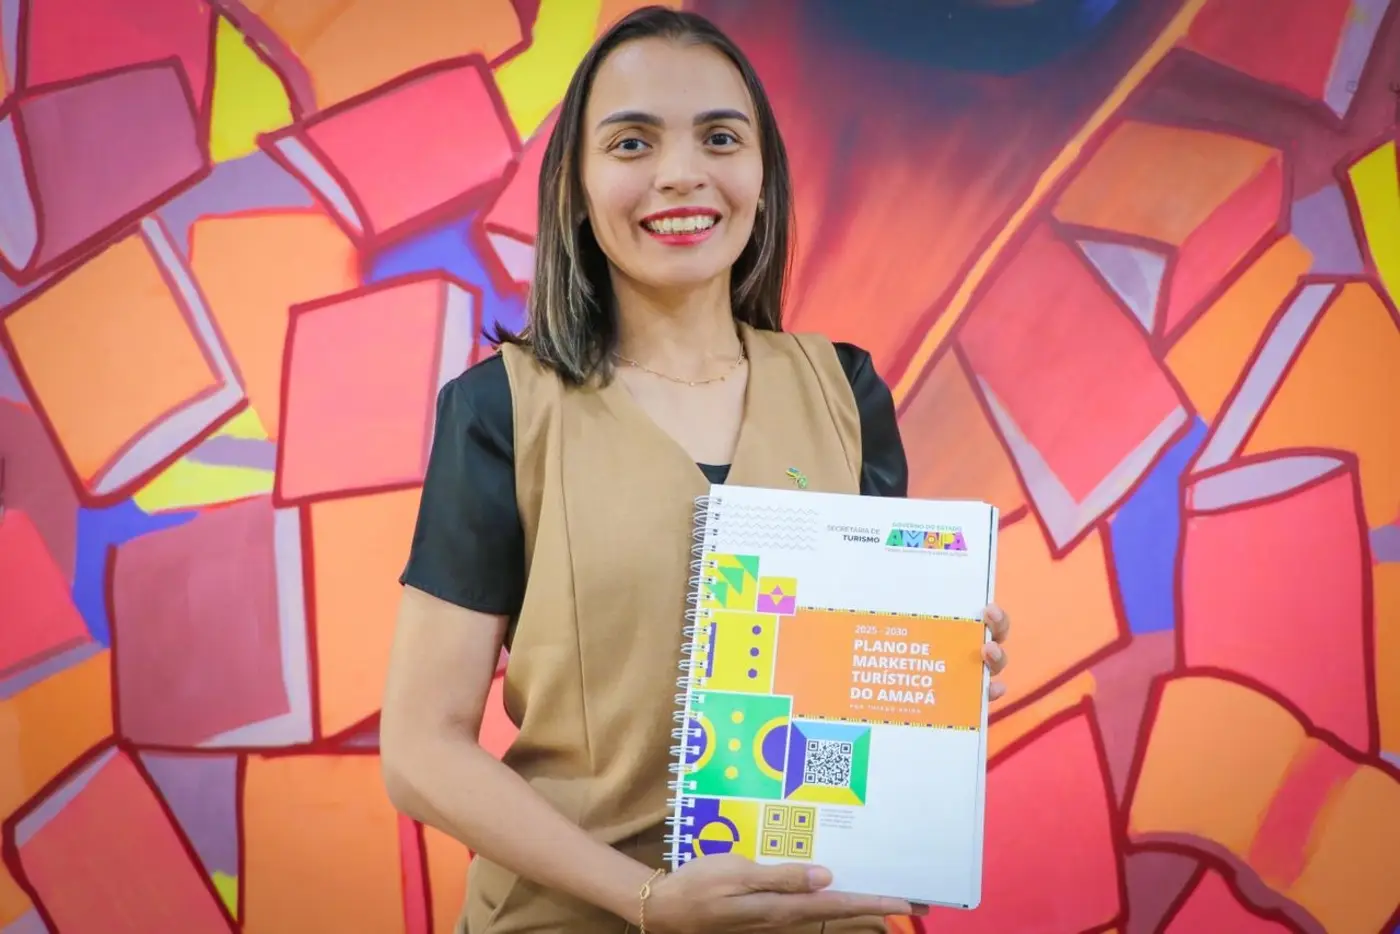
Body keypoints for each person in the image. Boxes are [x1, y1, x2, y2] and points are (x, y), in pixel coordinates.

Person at [380, 7, 1013, 933]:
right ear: (577, 185)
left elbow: (857, 706)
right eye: (632, 142)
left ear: (762, 175)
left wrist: (932, 678)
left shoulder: (846, 390)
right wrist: (641, 898)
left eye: (720, 137)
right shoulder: (501, 410)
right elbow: (419, 748)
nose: (681, 172)